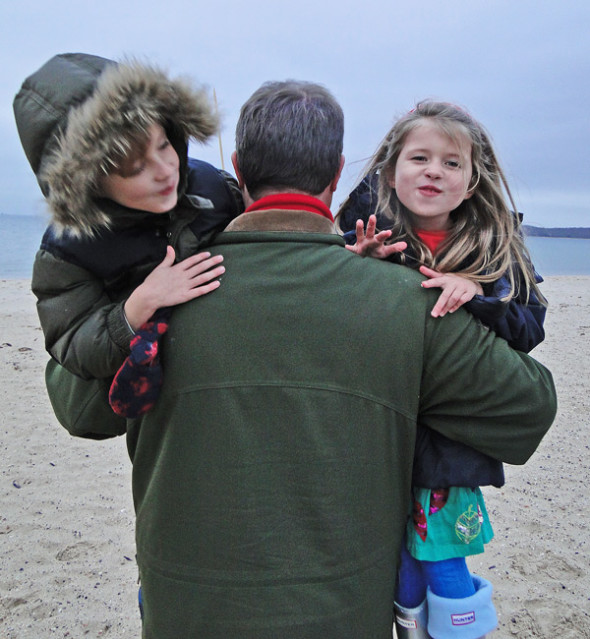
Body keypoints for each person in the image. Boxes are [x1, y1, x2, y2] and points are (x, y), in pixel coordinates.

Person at [126, 81, 556, 638]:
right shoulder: (407, 301)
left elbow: (79, 405)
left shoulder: (156, 296)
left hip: (182, 614)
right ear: (335, 174)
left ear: (237, 167)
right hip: (344, 617)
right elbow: (528, 409)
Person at [337, 100, 547, 638]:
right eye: (420, 158)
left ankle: (461, 631)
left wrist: (478, 293)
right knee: (399, 561)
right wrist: (355, 270)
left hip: (448, 449)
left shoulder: (494, 251)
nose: (434, 170)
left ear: (473, 182)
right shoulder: (362, 238)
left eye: (452, 163)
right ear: (389, 171)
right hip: (376, 440)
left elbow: (529, 329)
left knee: (443, 557)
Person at [12, 53, 242, 397]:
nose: (165, 170)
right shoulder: (68, 250)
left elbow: (266, 228)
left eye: (164, 145)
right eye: (135, 168)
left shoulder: (212, 186)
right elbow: (71, 342)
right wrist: (137, 306)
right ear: (89, 183)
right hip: (154, 398)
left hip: (224, 369)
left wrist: (331, 246)